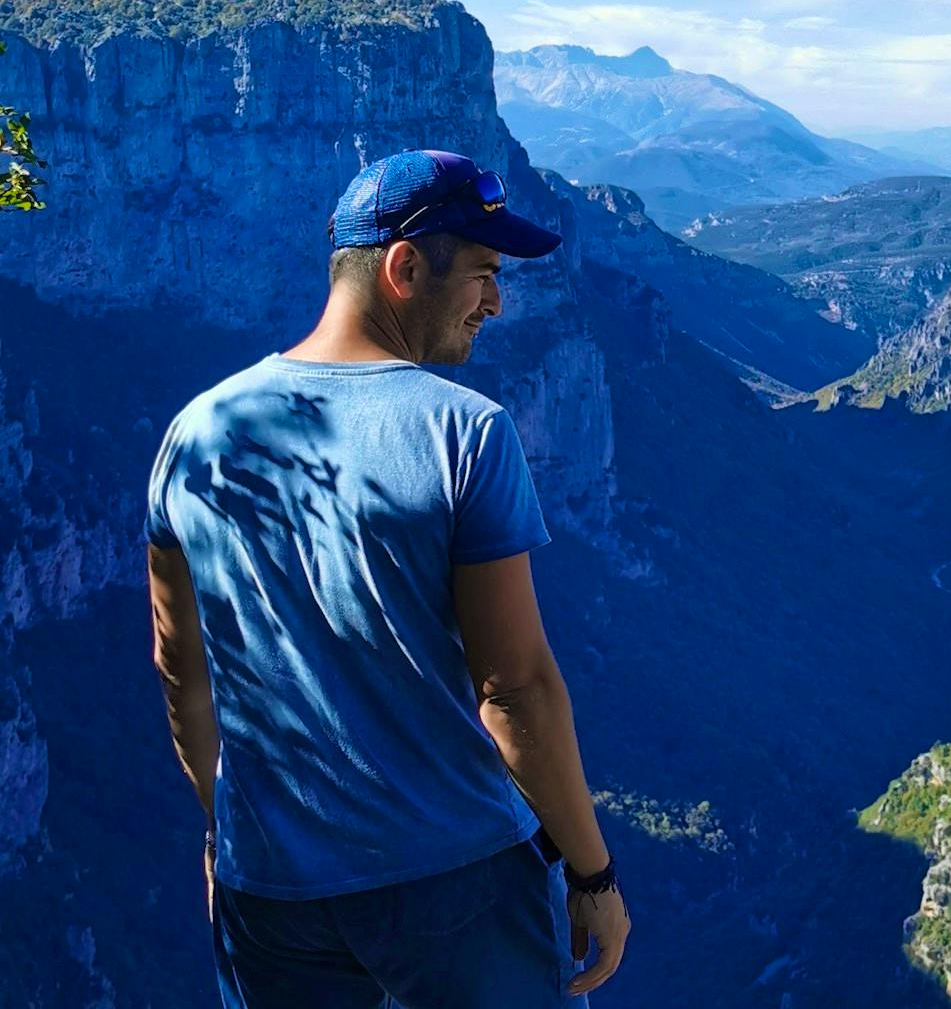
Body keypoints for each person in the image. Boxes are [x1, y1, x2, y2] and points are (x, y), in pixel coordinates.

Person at [145, 149, 630, 1006]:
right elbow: (513, 688)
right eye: (482, 273)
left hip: (273, 896)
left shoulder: (195, 435)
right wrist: (593, 875)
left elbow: (182, 671)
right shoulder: (465, 433)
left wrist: (229, 832)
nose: (497, 301)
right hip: (457, 886)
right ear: (404, 267)